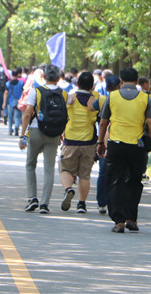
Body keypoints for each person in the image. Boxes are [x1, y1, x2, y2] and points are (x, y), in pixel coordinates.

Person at [96, 67, 151, 233]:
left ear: (120, 81)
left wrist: (100, 142)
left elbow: (103, 122)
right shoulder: (145, 98)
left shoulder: (112, 97)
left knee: (115, 181)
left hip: (116, 145)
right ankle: (131, 218)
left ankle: (118, 221)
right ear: (137, 81)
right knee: (134, 181)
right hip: (137, 147)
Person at [19, 64, 68, 214]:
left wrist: (23, 135)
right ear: (58, 78)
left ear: (44, 77)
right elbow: (64, 115)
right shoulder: (63, 94)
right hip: (54, 134)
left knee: (30, 164)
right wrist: (61, 132)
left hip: (36, 130)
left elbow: (28, 112)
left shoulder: (36, 91)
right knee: (49, 168)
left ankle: (32, 198)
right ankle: (45, 204)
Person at [59, 71, 99, 214]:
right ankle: (81, 204)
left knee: (65, 169)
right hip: (89, 141)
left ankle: (68, 189)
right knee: (85, 174)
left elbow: (63, 116)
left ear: (77, 84)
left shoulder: (70, 97)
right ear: (92, 86)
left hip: (70, 139)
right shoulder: (96, 98)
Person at [89, 74, 121, 215]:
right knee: (119, 173)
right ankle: (116, 201)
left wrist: (91, 94)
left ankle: (102, 203)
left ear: (107, 88)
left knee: (103, 172)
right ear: (119, 86)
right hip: (122, 138)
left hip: (105, 139)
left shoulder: (102, 99)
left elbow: (91, 108)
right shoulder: (126, 100)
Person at [3, 68, 24, 136]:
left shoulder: (8, 84)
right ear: (18, 75)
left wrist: (4, 102)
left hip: (10, 102)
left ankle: (10, 130)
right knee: (17, 116)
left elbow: (6, 93)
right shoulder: (21, 83)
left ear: (11, 75)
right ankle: (16, 127)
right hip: (18, 102)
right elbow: (23, 92)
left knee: (10, 117)